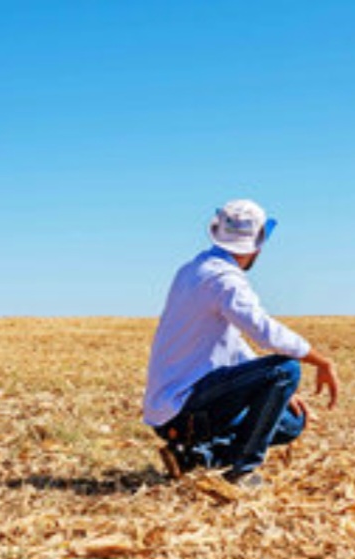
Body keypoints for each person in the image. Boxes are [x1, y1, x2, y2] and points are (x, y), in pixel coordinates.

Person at [142, 199, 339, 487]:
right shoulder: (224, 280)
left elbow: (232, 342)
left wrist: (277, 392)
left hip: (175, 408)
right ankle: (241, 471)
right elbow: (265, 333)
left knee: (290, 423)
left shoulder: (193, 270)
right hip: (185, 409)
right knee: (286, 368)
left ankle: (197, 458)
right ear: (258, 242)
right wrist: (321, 361)